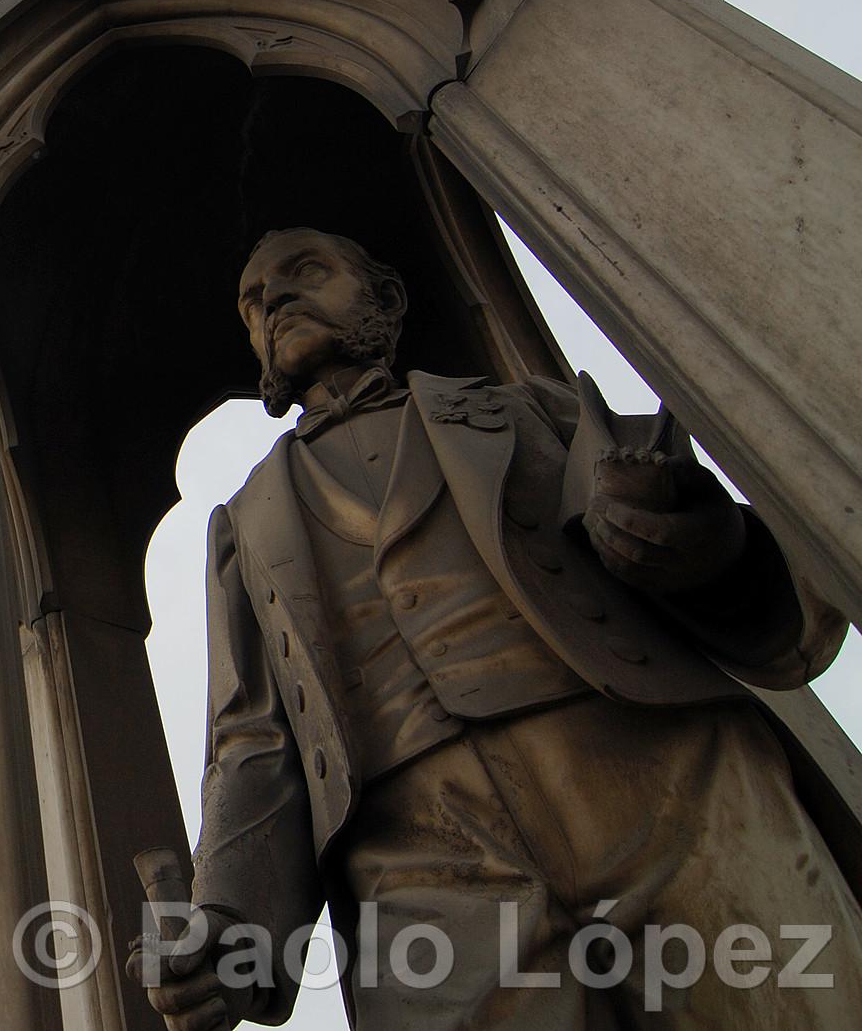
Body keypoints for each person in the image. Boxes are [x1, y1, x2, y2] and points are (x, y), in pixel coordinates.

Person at [132, 227, 859, 1029]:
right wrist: (230, 925)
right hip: (418, 863)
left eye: (306, 271)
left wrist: (683, 532)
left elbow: (693, 535)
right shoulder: (245, 518)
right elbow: (251, 741)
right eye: (255, 300)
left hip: (661, 777)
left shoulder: (526, 409)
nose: (278, 301)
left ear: (388, 297)